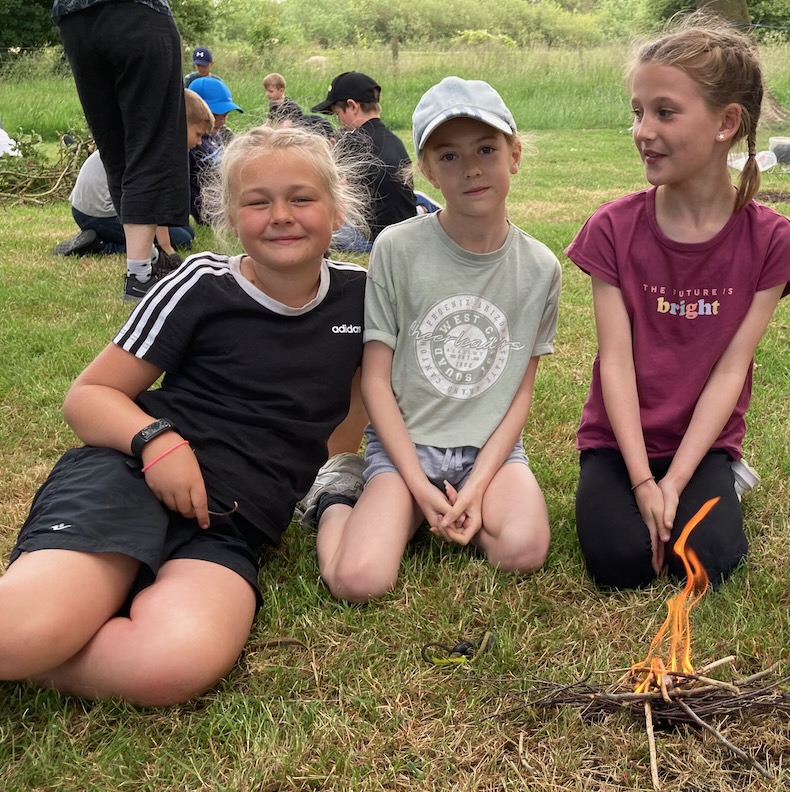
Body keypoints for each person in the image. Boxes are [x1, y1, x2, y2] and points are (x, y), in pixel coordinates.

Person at [0, 126, 368, 706]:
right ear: (230, 216)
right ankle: (46, 631)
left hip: (229, 525)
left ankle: (59, 638)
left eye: (302, 198)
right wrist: (157, 442)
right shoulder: (201, 284)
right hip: (133, 477)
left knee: (170, 665)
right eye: (257, 202)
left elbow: (361, 410)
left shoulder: (365, 296)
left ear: (337, 208)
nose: (281, 216)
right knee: (21, 635)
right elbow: (89, 395)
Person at [566, 18, 790, 591]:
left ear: (726, 123)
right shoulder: (612, 230)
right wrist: (642, 482)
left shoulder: (770, 241)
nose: (643, 131)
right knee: (620, 564)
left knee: (708, 562)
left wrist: (676, 481)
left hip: (701, 445)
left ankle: (723, 478)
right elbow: (616, 363)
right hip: (617, 444)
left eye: (665, 112)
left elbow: (732, 369)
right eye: (638, 112)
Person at [304, 76, 561, 603]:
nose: (471, 168)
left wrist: (478, 485)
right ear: (426, 170)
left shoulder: (540, 267)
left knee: (523, 550)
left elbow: (521, 391)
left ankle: (432, 511)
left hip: (490, 450)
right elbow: (376, 381)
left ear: (514, 154)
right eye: (449, 156)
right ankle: (337, 496)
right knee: (359, 580)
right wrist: (418, 485)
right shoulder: (397, 248)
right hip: (406, 447)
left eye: (486, 149)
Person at [50, 0, 190, 302]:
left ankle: (150, 258)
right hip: (138, 13)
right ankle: (140, 276)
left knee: (115, 152)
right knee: (151, 145)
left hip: (75, 20)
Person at [54, 88, 213, 261]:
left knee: (186, 231)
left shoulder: (148, 138)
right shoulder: (157, 150)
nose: (199, 142)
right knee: (182, 240)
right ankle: (100, 245)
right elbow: (153, 205)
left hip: (86, 209)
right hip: (99, 214)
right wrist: (167, 248)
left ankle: (98, 235)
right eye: (198, 134)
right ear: (179, 124)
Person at [312, 71, 418, 252]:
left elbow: (335, 195)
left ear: (352, 106)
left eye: (338, 113)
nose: (339, 121)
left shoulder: (353, 142)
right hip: (405, 226)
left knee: (316, 225)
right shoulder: (393, 139)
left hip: (374, 236)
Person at [189, 75, 242, 147]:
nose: (222, 121)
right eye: (214, 115)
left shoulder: (223, 133)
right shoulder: (191, 143)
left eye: (225, 114)